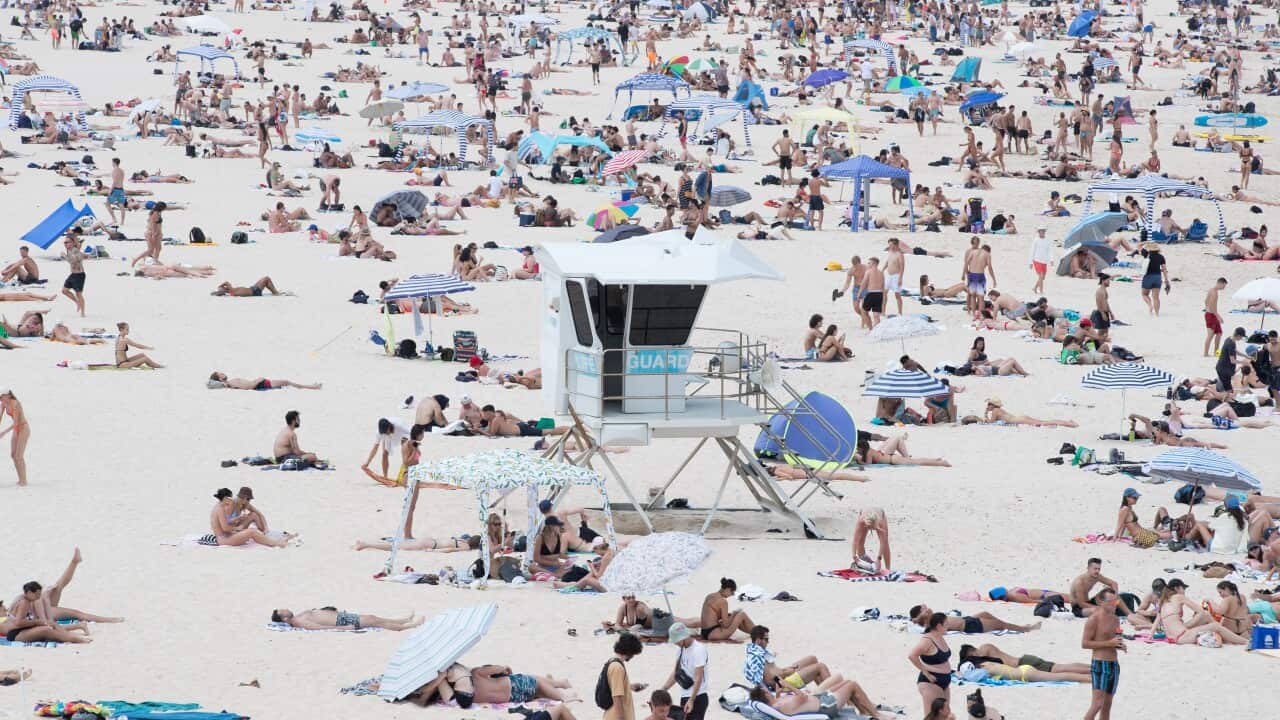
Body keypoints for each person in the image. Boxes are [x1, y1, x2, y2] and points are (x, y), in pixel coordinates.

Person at [7, 548, 123, 626]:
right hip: (43, 612)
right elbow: (32, 615)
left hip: (41, 608)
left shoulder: (16, 604)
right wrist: (45, 597)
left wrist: (44, 596)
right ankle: (110, 620)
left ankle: (75, 562)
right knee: (76, 613)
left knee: (58, 586)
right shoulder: (17, 606)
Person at [743, 625, 831, 691]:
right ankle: (833, 695)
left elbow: (771, 671)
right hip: (783, 683)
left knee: (812, 659)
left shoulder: (757, 652)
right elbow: (769, 680)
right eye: (766, 639)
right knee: (820, 666)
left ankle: (822, 691)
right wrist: (787, 673)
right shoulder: (757, 657)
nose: (768, 642)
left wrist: (785, 670)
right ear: (758, 640)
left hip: (783, 674)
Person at [1081, 588, 1123, 720]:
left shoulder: (1116, 619)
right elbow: (1085, 643)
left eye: (1115, 602)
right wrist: (1109, 643)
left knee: (1107, 705)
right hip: (1100, 664)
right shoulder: (1094, 620)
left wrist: (1119, 645)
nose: (1113, 604)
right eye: (1110, 602)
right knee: (1097, 704)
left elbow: (1115, 640)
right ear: (1101, 602)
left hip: (1113, 664)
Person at [209, 488, 294, 547]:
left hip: (226, 536)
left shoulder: (220, 507)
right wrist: (238, 528)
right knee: (252, 532)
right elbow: (225, 528)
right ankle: (277, 543)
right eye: (230, 498)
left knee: (253, 523)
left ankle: (273, 537)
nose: (231, 500)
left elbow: (226, 526)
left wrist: (239, 525)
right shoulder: (221, 508)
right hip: (224, 539)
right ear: (225, 498)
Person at [661, 623, 710, 720]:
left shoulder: (698, 650)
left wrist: (691, 700)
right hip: (685, 695)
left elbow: (698, 677)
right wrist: (663, 689)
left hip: (698, 696)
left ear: (683, 638)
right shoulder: (680, 650)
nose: (675, 643)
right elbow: (676, 673)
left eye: (676, 641)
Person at [909, 612, 952, 717]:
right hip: (930, 682)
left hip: (944, 681)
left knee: (945, 715)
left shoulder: (940, 637)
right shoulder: (927, 640)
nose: (948, 626)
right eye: (946, 624)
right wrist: (926, 673)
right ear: (939, 626)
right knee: (931, 716)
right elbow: (912, 655)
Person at [467, 664, 578, 705]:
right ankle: (563, 696)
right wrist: (504, 668)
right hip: (514, 685)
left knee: (535, 685)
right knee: (536, 682)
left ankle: (558, 683)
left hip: (515, 698)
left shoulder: (466, 695)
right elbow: (494, 669)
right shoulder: (475, 673)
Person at [959, 642, 1090, 676]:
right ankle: (1092, 668)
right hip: (1024, 660)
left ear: (971, 652)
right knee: (1061, 667)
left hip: (1023, 663)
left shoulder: (984, 650)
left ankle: (1093, 669)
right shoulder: (988, 647)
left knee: (1061, 668)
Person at [909, 604, 1040, 634]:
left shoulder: (931, 617)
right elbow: (919, 622)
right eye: (924, 609)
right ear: (921, 615)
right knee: (999, 624)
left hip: (966, 619)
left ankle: (1015, 626)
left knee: (985, 613)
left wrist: (922, 613)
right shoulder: (928, 624)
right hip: (968, 625)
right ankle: (1025, 628)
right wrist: (919, 617)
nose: (927, 608)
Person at [602, 633, 645, 720]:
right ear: (630, 651)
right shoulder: (617, 668)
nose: (633, 656)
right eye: (634, 653)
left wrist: (630, 687)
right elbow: (617, 696)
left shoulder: (612, 663)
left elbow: (614, 688)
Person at [269, 607, 423, 631]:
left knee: (372, 617)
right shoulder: (298, 621)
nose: (287, 608)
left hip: (340, 616)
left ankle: (401, 620)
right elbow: (317, 627)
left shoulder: (297, 616)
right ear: (284, 618)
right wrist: (344, 628)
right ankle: (406, 626)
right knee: (374, 621)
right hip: (341, 622)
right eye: (283, 610)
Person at [362, 417, 411, 485]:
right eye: (383, 433)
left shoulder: (398, 425)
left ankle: (405, 476)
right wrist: (367, 463)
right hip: (389, 437)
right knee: (384, 454)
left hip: (402, 435)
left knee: (405, 456)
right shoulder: (380, 433)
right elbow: (375, 448)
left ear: (389, 427)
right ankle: (385, 477)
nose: (384, 433)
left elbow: (411, 432)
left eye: (385, 432)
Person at [979, 397, 1077, 427]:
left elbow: (991, 423)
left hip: (1018, 420)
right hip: (1019, 418)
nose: (987, 406)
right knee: (1043, 421)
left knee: (1044, 422)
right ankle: (1068, 422)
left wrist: (985, 414)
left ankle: (1069, 423)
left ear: (993, 405)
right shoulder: (999, 410)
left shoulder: (995, 411)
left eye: (989, 404)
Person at [0, 388, 29, 487]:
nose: (1, 399)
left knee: (18, 455)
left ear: (8, 395)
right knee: (13, 455)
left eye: (2, 396)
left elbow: (16, 423)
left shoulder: (15, 403)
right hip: (16, 430)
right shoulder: (3, 404)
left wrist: (3, 433)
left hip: (23, 429)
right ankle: (20, 479)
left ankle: (23, 480)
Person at [851, 507, 890, 573]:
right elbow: (855, 541)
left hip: (880, 513)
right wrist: (854, 557)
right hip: (864, 513)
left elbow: (883, 542)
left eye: (873, 528)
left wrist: (879, 559)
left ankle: (888, 568)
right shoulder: (861, 521)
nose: (870, 529)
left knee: (885, 543)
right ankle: (866, 564)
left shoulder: (880, 521)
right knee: (860, 542)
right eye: (869, 527)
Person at [207, 372, 321, 391]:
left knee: (286, 382)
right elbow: (249, 387)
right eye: (220, 374)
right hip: (260, 384)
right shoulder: (231, 383)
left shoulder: (230, 382)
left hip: (260, 383)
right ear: (220, 378)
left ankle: (311, 386)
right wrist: (258, 380)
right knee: (287, 381)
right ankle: (311, 387)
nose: (222, 373)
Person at [61, 233, 87, 317]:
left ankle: (83, 312)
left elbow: (73, 261)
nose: (65, 244)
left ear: (72, 243)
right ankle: (77, 302)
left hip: (79, 275)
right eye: (65, 243)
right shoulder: (69, 250)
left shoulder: (75, 250)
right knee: (64, 290)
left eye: (67, 242)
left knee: (78, 294)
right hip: (73, 274)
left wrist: (64, 256)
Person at [1204, 278, 1226, 357]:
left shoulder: (1211, 290)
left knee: (1219, 333)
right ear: (1221, 283)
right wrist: (1218, 316)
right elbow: (1211, 305)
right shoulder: (1214, 292)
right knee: (1210, 334)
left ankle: (1216, 352)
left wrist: (1207, 309)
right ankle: (1206, 353)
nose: (1224, 288)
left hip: (1210, 314)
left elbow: (1206, 301)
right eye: (1224, 286)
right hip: (1211, 315)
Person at [211, 277, 285, 297]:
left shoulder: (232, 291)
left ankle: (275, 292)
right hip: (255, 291)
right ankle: (275, 292)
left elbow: (226, 283)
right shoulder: (232, 291)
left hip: (253, 289)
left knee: (266, 280)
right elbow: (226, 282)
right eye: (224, 288)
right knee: (266, 279)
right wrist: (220, 287)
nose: (225, 287)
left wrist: (219, 290)